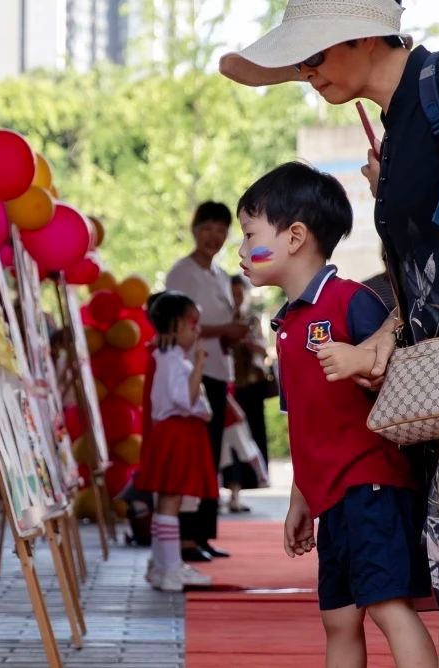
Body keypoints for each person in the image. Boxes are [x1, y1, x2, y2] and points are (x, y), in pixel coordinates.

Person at [222, 0, 439, 666]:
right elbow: (422, 267)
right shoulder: (394, 126)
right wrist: (386, 334)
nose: (307, 72)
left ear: (362, 36)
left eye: (314, 54)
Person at [237, 161, 436, 667]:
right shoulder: (287, 327)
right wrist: (300, 500)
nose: (241, 251)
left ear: (295, 236)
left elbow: (400, 382)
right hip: (332, 499)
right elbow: (305, 422)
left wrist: (365, 364)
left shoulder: (352, 302)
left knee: (389, 607)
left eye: (250, 235)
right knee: (339, 619)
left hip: (373, 488)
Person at [165, 201, 247, 562]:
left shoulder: (221, 274)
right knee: (194, 457)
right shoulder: (181, 273)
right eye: (208, 228)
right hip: (191, 375)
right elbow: (176, 326)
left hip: (218, 371)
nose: (214, 236)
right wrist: (224, 329)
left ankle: (203, 534)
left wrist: (232, 333)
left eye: (221, 230)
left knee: (212, 457)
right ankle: (186, 536)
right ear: (194, 230)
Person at [136, 291, 217, 592]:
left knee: (166, 502)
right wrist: (199, 366)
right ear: (176, 325)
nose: (197, 330)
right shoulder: (172, 359)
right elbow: (185, 399)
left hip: (172, 433)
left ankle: (162, 565)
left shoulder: (165, 357)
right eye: (193, 323)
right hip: (177, 432)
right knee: (171, 501)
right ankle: (169, 569)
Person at [224, 273, 271, 511]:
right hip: (229, 387)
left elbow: (263, 348)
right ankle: (231, 492)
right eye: (232, 292)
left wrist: (249, 343)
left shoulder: (252, 319)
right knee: (231, 442)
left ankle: (240, 491)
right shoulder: (221, 320)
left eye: (239, 292)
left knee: (250, 438)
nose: (236, 297)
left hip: (251, 386)